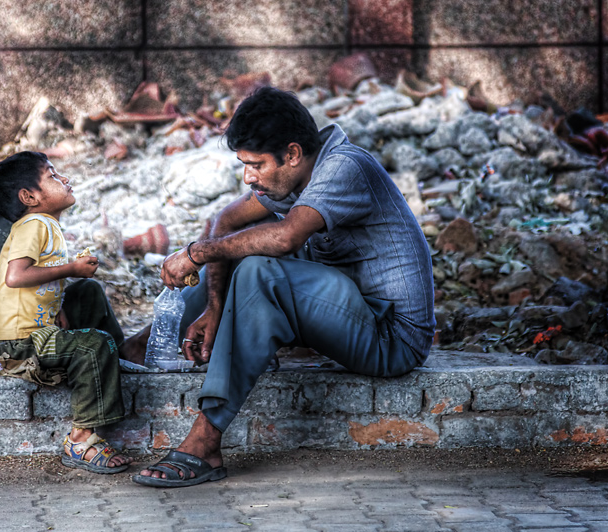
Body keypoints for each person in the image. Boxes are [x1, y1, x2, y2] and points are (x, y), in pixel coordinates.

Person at [133, 87, 435, 488]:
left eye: (256, 164)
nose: (248, 176)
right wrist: (215, 308)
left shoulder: (345, 167)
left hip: (392, 339)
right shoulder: (295, 173)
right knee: (228, 254)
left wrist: (196, 252)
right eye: (244, 164)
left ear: (292, 154)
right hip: (348, 313)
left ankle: (205, 442)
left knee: (259, 268)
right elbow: (226, 221)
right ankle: (130, 352)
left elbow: (285, 239)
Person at [0, 150, 136, 474]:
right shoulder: (34, 225)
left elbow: (43, 286)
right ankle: (81, 440)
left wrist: (62, 301)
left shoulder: (47, 224)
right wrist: (71, 268)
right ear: (29, 197)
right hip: (22, 341)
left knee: (88, 292)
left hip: (42, 327)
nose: (65, 179)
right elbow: (16, 277)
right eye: (53, 176)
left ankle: (120, 354)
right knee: (95, 344)